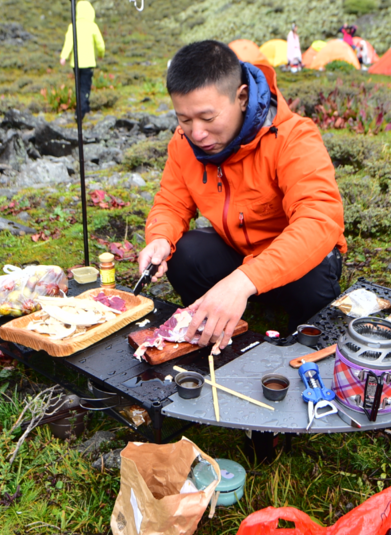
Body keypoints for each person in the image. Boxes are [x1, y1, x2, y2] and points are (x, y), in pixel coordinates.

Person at [137, 41, 346, 351]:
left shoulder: (292, 137)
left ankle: (287, 327)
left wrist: (242, 281)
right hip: (238, 249)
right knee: (184, 252)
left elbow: (318, 221)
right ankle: (210, 323)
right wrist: (160, 238)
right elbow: (172, 201)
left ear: (242, 98)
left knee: (312, 286)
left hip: (295, 262)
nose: (197, 133)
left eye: (208, 119)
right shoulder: (184, 143)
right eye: (184, 119)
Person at [59, 0, 106, 119]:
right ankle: (81, 110)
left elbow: (68, 43)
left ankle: (83, 107)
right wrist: (101, 54)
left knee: (79, 85)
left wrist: (63, 56)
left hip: (76, 63)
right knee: (85, 86)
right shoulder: (92, 26)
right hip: (88, 63)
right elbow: (100, 44)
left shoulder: (73, 26)